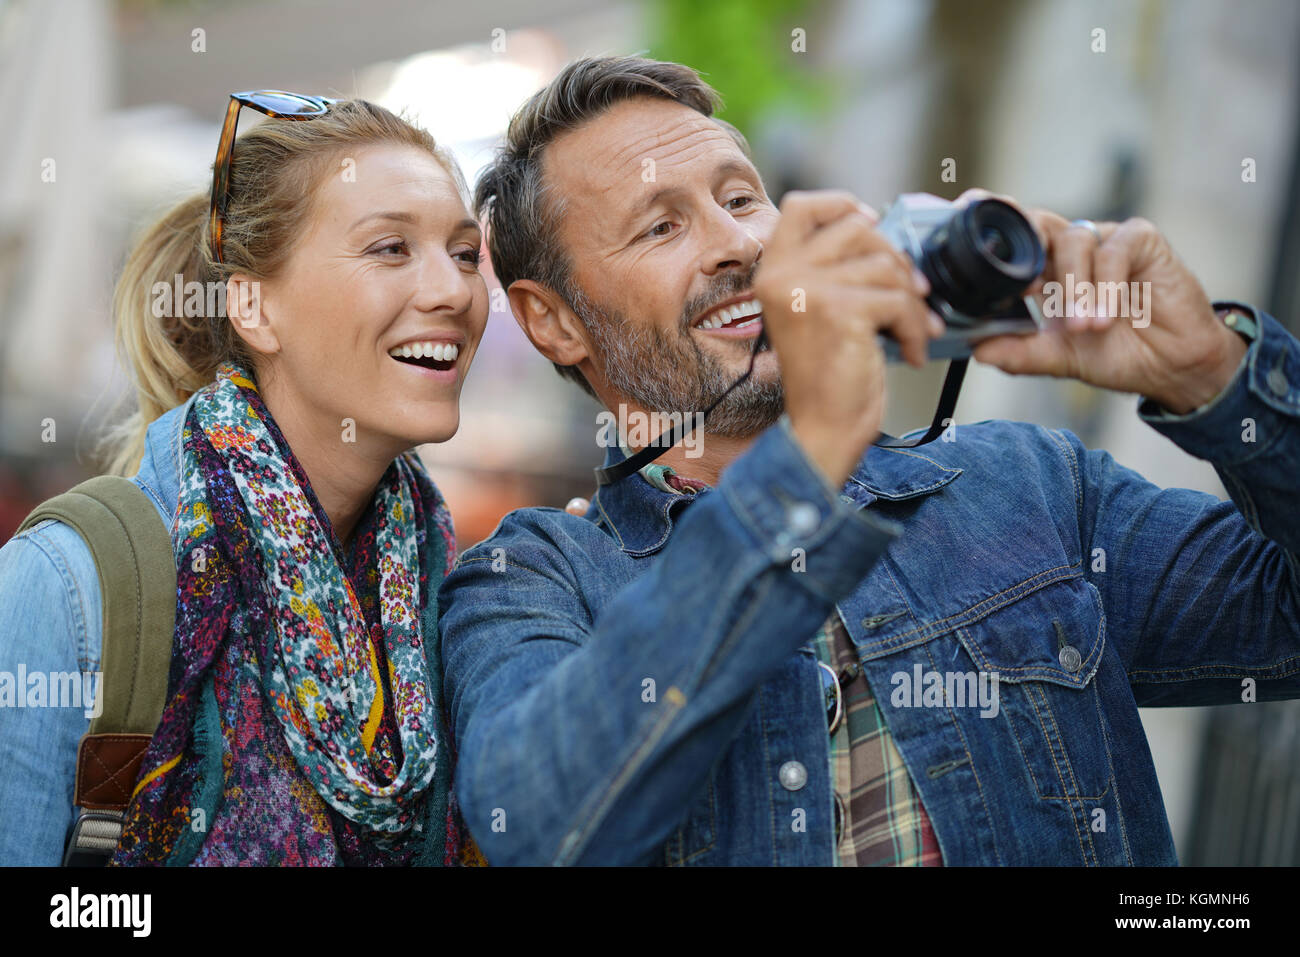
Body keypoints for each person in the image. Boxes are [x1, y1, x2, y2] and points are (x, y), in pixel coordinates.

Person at [439, 55, 1300, 865]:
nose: (735, 244)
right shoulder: (529, 577)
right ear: (552, 320)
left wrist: (1222, 380)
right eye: (661, 225)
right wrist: (810, 458)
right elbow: (539, 820)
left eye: (742, 199)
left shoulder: (1029, 486)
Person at [0, 95, 488, 865]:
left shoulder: (453, 591)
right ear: (255, 308)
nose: (454, 290)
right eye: (391, 248)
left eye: (464, 252)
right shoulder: (70, 583)